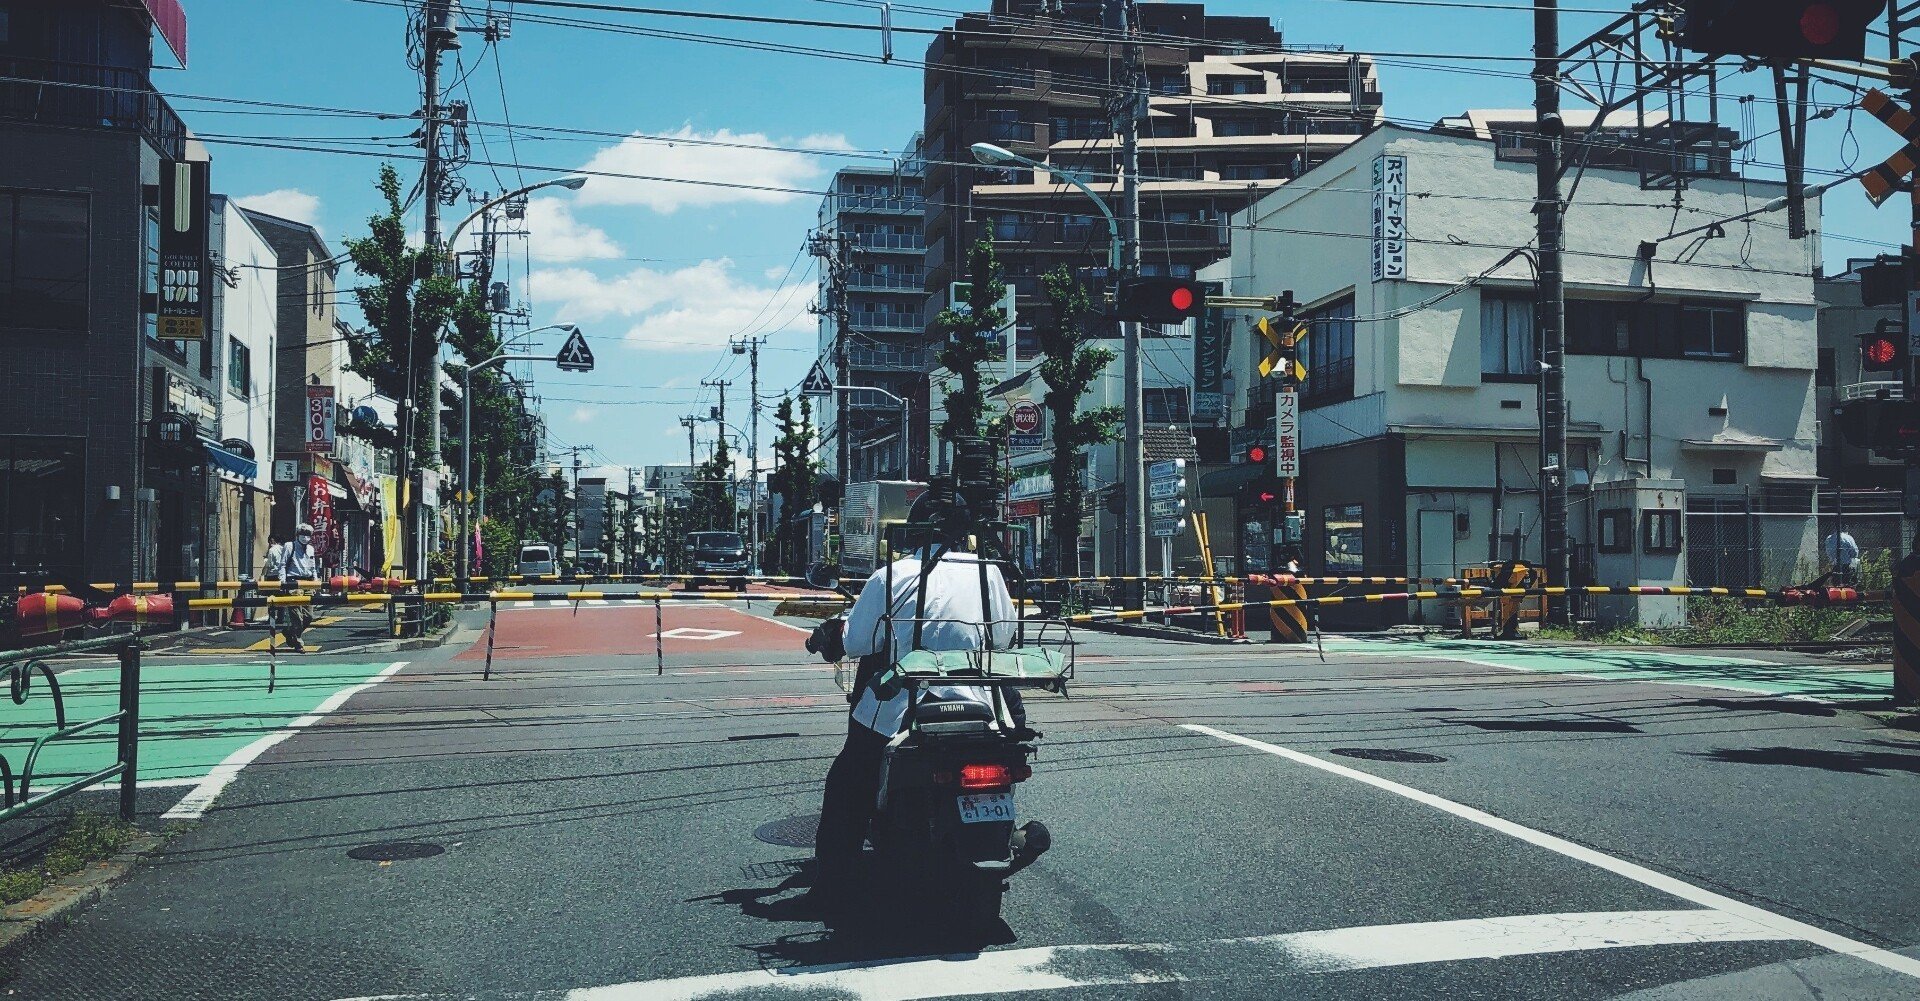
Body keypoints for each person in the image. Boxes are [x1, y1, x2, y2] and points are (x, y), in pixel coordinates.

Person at [808, 487, 1017, 914]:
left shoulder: (892, 576)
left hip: (903, 712)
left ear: (914, 530)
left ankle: (832, 884)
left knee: (849, 781)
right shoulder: (987, 573)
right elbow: (1003, 637)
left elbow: (859, 640)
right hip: (978, 708)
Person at [273, 523, 320, 652]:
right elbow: (282, 564)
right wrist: (283, 581)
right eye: (303, 534)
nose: (305, 537)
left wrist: (315, 581)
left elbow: (312, 566)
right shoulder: (290, 546)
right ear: (297, 535)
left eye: (308, 535)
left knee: (309, 616)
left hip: (308, 582)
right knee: (296, 617)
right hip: (293, 582)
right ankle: (298, 643)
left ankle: (289, 632)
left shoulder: (310, 548)